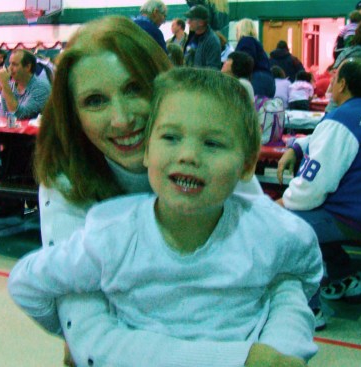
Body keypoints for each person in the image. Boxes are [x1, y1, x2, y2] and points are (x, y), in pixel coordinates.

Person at [31, 15, 319, 367]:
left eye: (135, 88)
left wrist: (282, 350)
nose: (121, 119)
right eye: (94, 101)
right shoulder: (67, 182)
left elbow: (281, 274)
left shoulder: (211, 155)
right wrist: (241, 359)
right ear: (73, 114)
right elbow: (89, 338)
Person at [276, 58, 361, 327]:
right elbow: (325, 139)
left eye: (336, 77)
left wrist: (284, 202)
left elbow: (313, 188)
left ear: (343, 84)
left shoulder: (343, 120)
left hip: (358, 217)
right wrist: (297, 147)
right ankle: (345, 278)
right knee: (318, 215)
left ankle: (309, 309)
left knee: (289, 224)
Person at [0, 49, 51, 120]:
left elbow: (20, 115)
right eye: (10, 64)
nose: (10, 68)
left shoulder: (41, 86)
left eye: (14, 64)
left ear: (28, 67)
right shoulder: (9, 87)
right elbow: (3, 117)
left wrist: (4, 84)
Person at [235, 18, 275, 98]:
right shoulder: (257, 44)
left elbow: (245, 62)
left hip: (256, 79)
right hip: (268, 79)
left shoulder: (245, 41)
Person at [184, 5, 221, 69]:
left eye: (191, 19)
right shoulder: (192, 37)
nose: (188, 22)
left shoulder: (212, 41)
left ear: (201, 22)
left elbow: (212, 70)